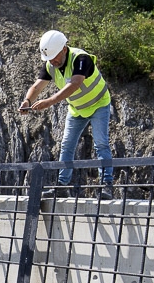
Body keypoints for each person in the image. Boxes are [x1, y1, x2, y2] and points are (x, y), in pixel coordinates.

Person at [18, 30, 113, 195]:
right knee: (67, 145)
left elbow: (75, 84)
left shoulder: (81, 58)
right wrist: (27, 100)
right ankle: (61, 186)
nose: (52, 61)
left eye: (54, 57)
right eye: (49, 59)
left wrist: (49, 102)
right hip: (77, 109)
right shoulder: (50, 65)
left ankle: (107, 185)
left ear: (64, 49)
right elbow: (37, 86)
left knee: (101, 144)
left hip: (99, 104)